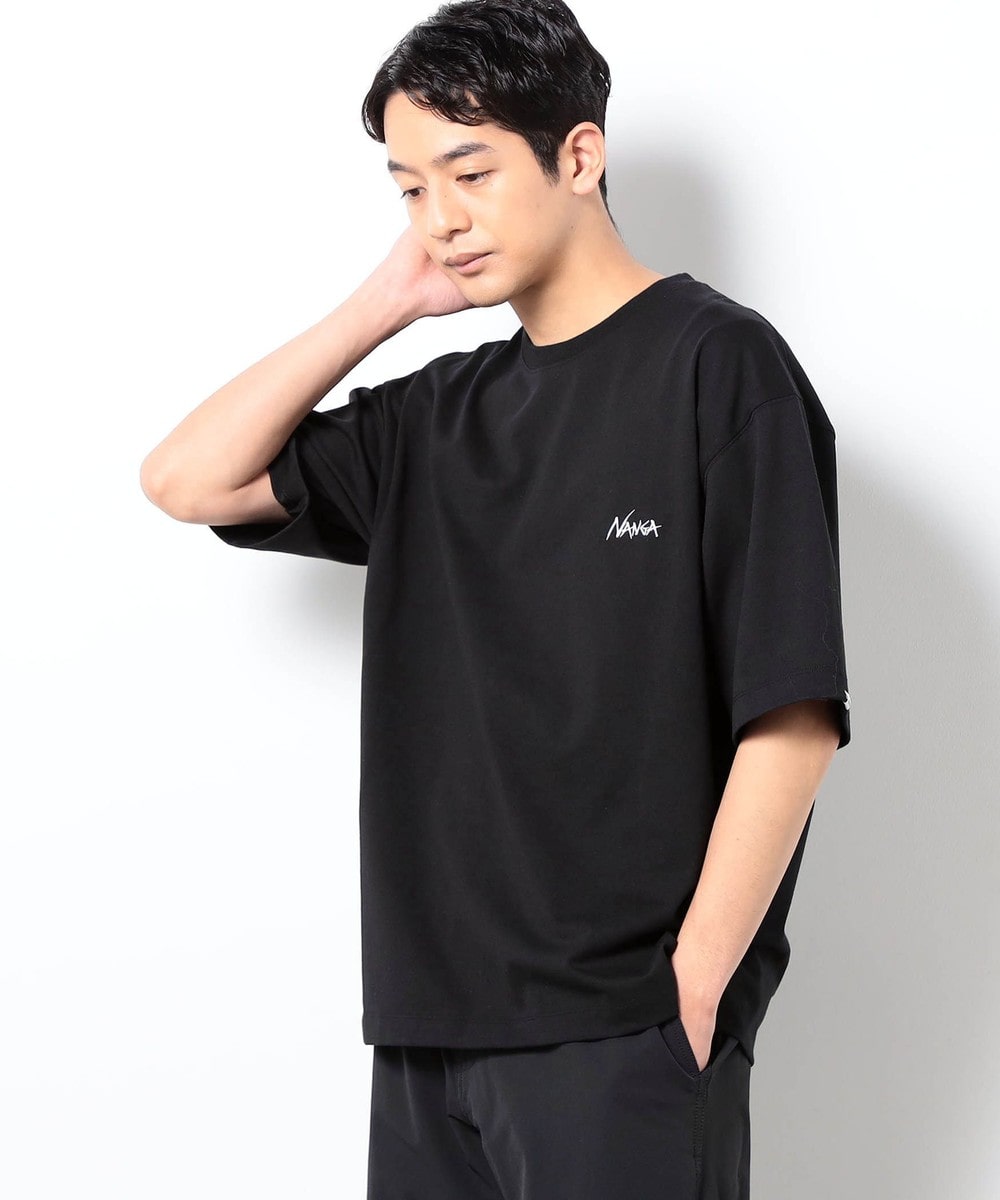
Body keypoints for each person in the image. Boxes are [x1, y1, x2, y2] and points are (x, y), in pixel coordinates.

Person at [140, 1, 852, 1195]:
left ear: (578, 155)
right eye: (409, 188)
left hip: (621, 1026)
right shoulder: (437, 417)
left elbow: (791, 712)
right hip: (429, 1032)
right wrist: (382, 305)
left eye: (469, 173)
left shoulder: (717, 365)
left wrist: (694, 985)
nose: (441, 218)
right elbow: (187, 479)